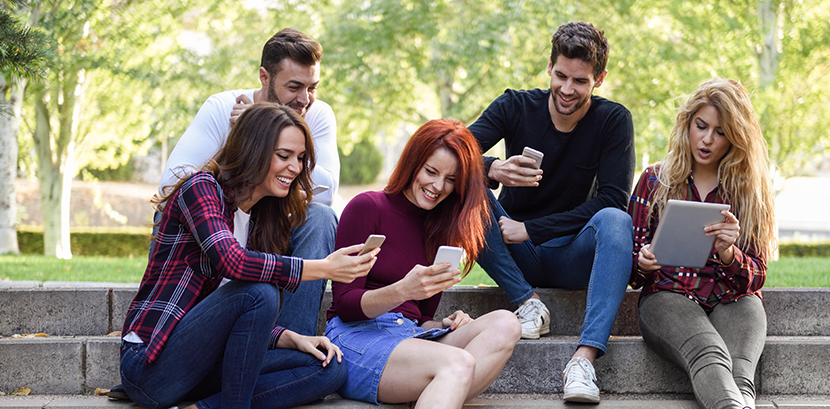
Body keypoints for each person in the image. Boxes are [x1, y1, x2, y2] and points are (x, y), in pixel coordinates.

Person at [120, 103, 377, 409]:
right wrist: (323, 268)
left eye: (301, 158)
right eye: (284, 156)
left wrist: (294, 338)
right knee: (259, 290)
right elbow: (234, 263)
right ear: (253, 149)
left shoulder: (261, 219)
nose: (295, 168)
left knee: (327, 365)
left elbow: (238, 320)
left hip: (206, 365)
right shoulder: (202, 188)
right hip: (152, 365)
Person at [468, 21, 635, 403]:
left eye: (580, 81)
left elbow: (612, 199)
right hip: (515, 257)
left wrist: (532, 229)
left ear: (600, 79)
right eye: (561, 75)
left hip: (571, 254)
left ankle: (584, 359)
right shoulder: (515, 105)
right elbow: (446, 152)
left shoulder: (613, 121)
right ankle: (528, 304)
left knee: (615, 220)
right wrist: (491, 167)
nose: (567, 89)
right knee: (464, 182)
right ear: (549, 66)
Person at [325, 119, 522, 408]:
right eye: (430, 171)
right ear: (413, 163)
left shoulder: (442, 230)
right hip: (357, 338)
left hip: (411, 337)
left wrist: (442, 323)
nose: (438, 186)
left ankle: (438, 392)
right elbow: (345, 304)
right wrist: (403, 290)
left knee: (506, 323)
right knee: (458, 363)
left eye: (451, 179)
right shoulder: (367, 207)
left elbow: (420, 318)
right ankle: (442, 387)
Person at [158, 28, 338, 337]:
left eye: (313, 87)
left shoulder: (317, 114)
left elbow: (326, 194)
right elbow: (170, 184)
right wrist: (247, 136)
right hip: (219, 225)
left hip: (272, 225)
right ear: (264, 78)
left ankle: (295, 345)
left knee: (321, 219)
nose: (304, 99)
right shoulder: (220, 107)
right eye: (294, 86)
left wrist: (273, 136)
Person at [627, 78, 776, 409]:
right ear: (687, 124)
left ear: (735, 138)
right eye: (701, 126)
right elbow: (632, 268)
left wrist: (728, 254)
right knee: (707, 352)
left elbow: (757, 275)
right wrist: (643, 261)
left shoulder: (750, 191)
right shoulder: (655, 180)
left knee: (740, 375)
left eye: (720, 132)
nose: (707, 139)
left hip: (734, 298)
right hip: (669, 296)